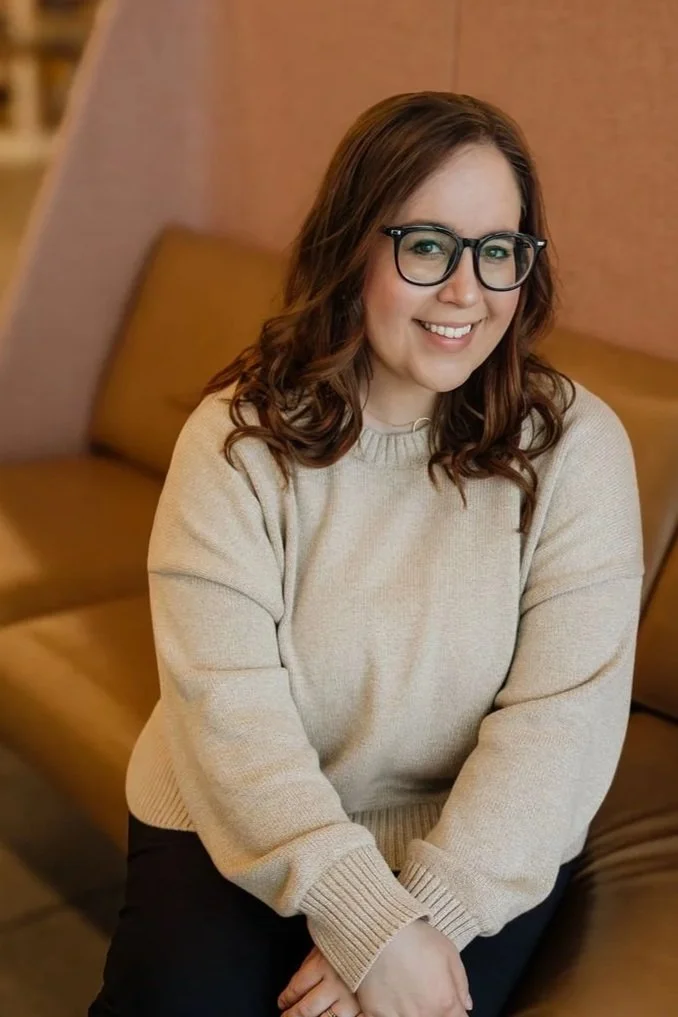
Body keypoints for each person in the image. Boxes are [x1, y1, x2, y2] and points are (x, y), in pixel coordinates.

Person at [89, 91, 645, 1017]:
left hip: (473, 847)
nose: (466, 292)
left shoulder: (576, 449)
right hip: (238, 813)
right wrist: (367, 922)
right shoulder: (236, 442)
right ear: (351, 248)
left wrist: (418, 925)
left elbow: (561, 728)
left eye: (497, 250)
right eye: (427, 246)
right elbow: (227, 711)